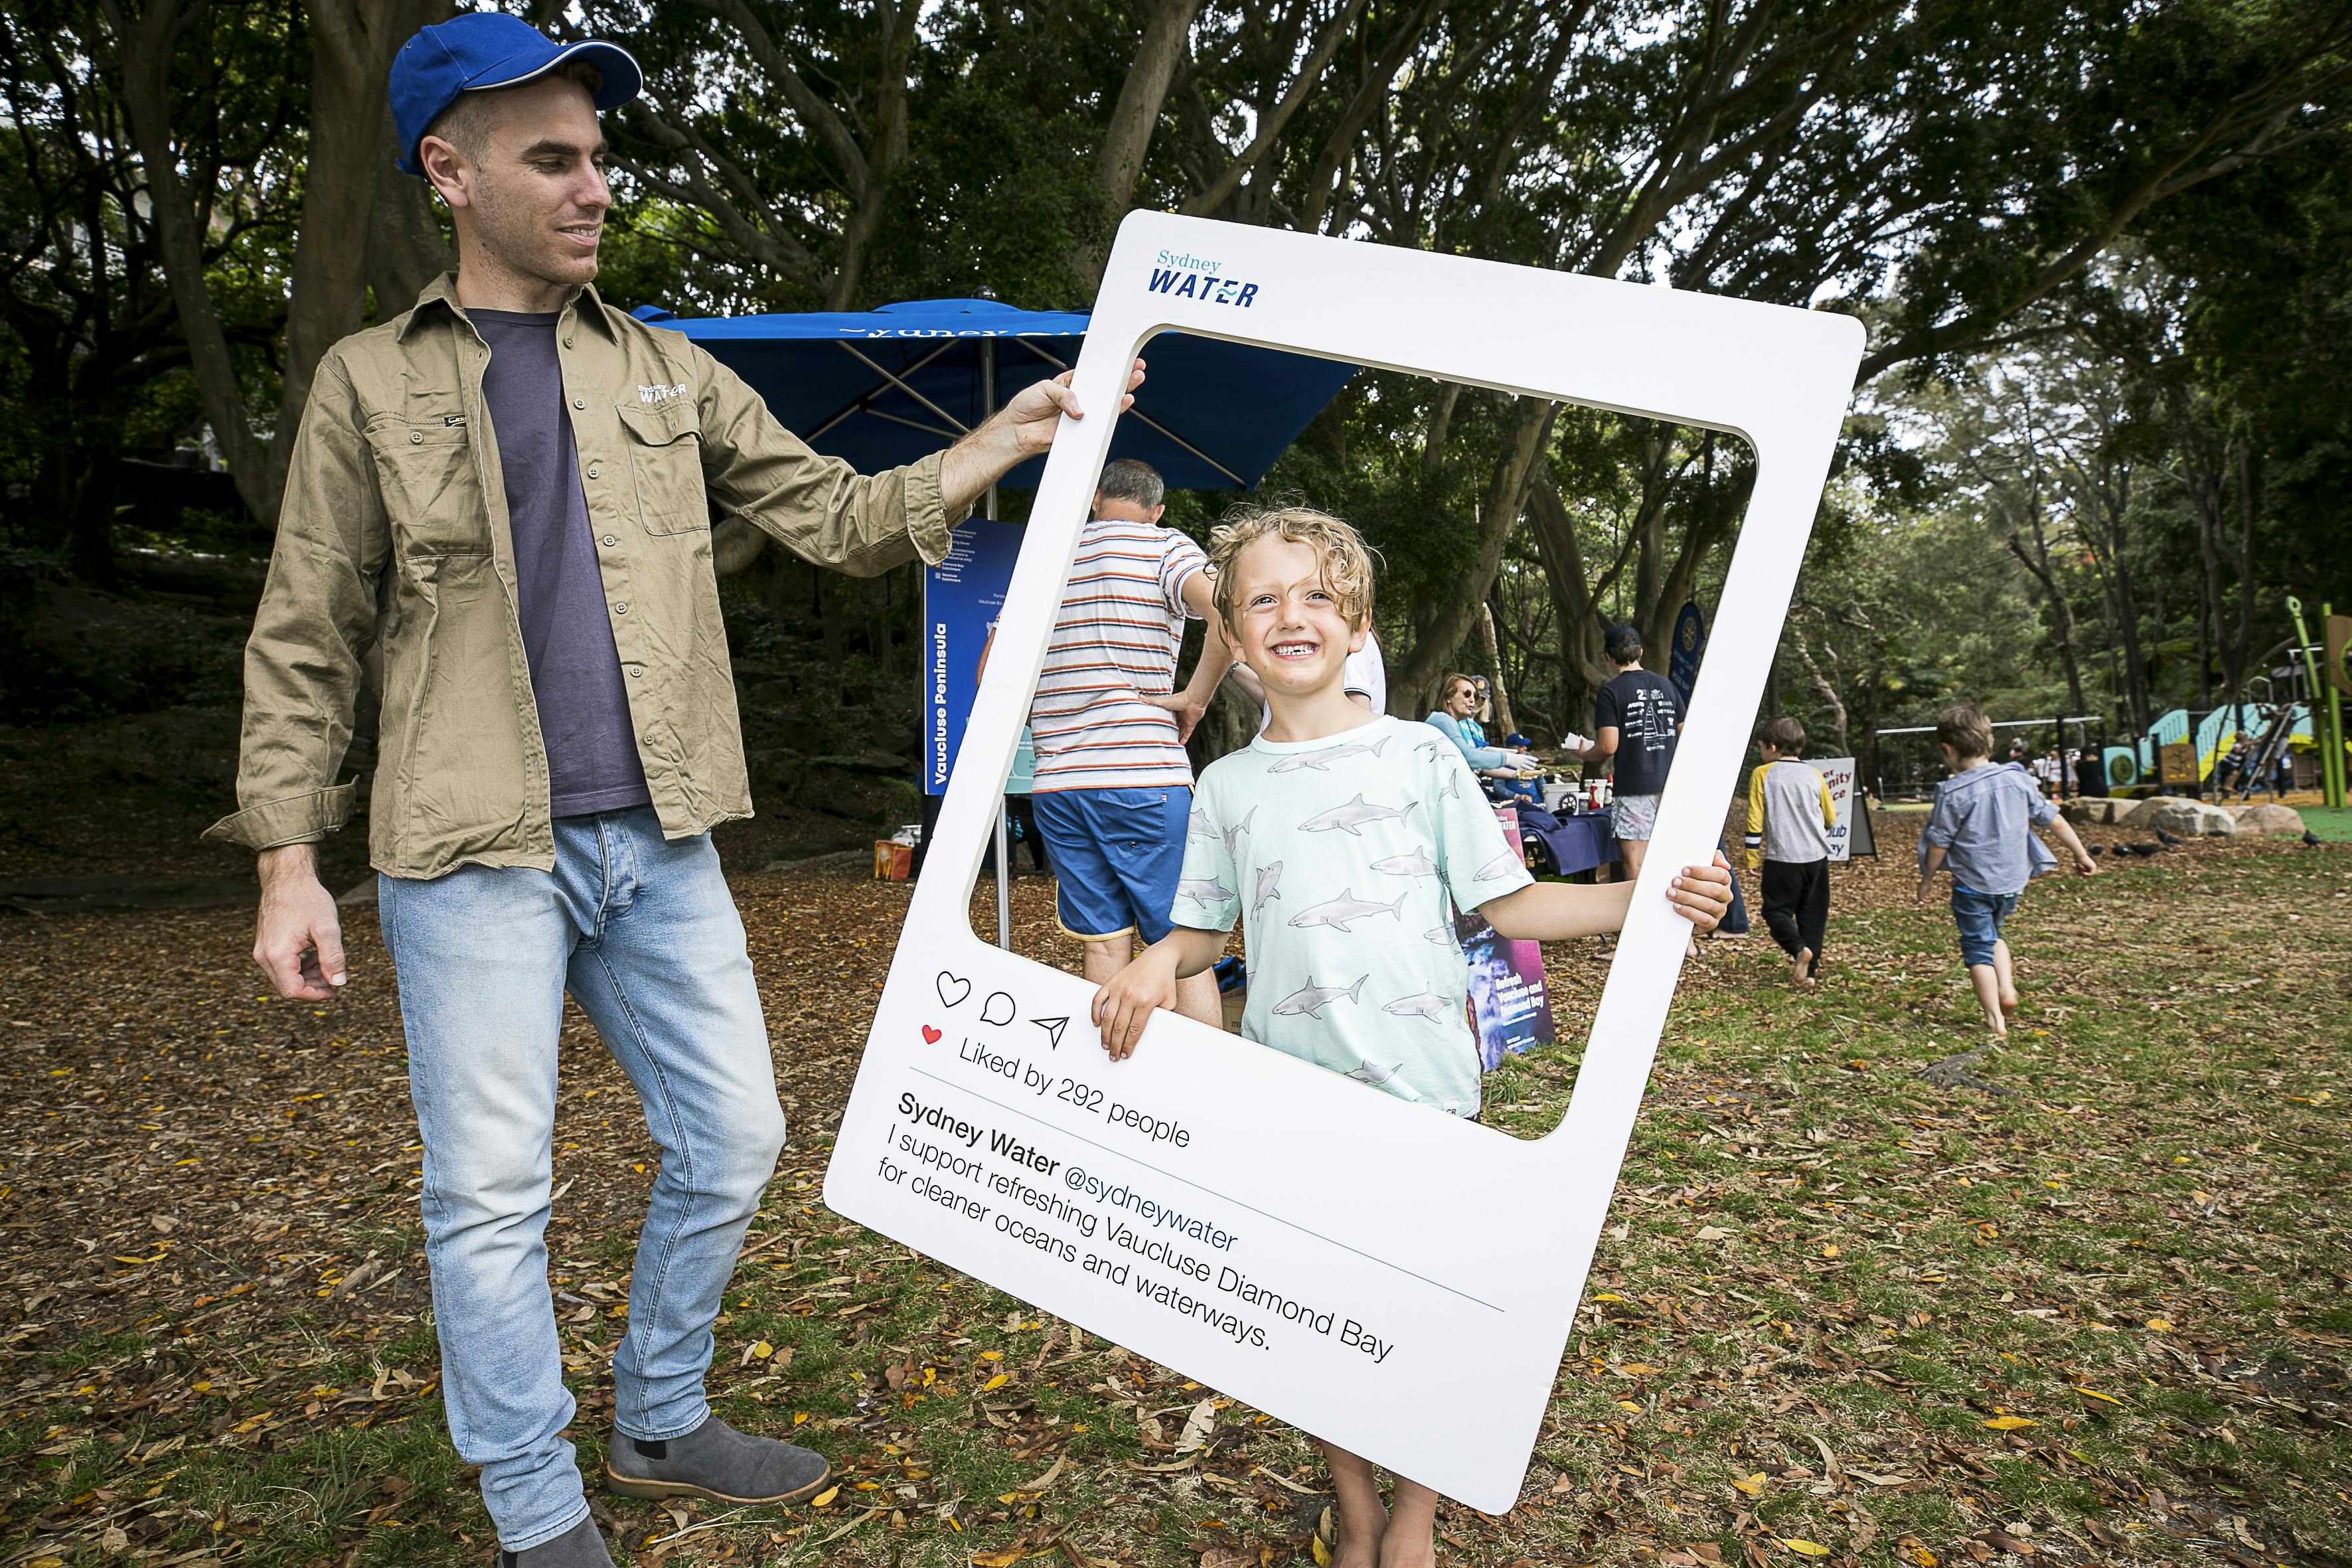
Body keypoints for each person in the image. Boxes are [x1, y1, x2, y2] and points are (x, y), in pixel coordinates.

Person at [208, 16, 1142, 1565]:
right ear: (449, 171)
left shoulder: (664, 368)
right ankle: (531, 1502)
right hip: (466, 849)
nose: (593, 186)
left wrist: (1004, 434)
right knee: (493, 1193)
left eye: (599, 155)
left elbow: (841, 515)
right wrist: (286, 864)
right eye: (552, 159)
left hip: (662, 838)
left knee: (737, 1135)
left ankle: (656, 1413)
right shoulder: (368, 384)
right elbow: (307, 632)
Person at [1090, 505, 1731, 1568]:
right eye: (1261, 599)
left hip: (1430, 1094)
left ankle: (1415, 1513)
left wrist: (1653, 900)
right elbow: (1205, 929)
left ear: (1356, 623)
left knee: (1418, 1317)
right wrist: (1162, 957)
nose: (1289, 614)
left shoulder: (1422, 754)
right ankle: (1350, 1510)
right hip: (1293, 1104)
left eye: (1315, 595)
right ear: (1235, 638)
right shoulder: (1224, 785)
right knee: (1318, 1322)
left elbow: (1512, 907)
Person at [1022, 459, 1231, 1028]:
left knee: (1102, 943)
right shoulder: (1165, 548)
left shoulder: (1048, 558)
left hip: (1058, 784)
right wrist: (1195, 696)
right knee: (1181, 949)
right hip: (1142, 777)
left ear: (1094, 499)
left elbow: (994, 671)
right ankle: (1198, 1095)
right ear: (1157, 510)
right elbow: (1226, 608)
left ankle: (1116, 1096)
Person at [1916, 703, 2098, 1039]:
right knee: (1994, 934)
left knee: (1977, 949)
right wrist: (2081, 854)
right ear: (1990, 742)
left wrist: (1927, 878)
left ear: (1947, 750)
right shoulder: (2018, 779)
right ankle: (2008, 989)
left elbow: (1939, 844)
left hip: (1972, 885)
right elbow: (2053, 818)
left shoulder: (1953, 793)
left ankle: (1994, 1018)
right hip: (2011, 883)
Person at [1577, 625, 1683, 883]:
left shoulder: (1611, 692)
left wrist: (1584, 753)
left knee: (1635, 863)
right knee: (1674, 856)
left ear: (1608, 657)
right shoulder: (1666, 685)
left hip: (1636, 786)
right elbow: (1684, 732)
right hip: (1671, 785)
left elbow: (1608, 746)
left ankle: (1642, 922)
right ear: (1641, 652)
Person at [1745, 716, 1836, 988]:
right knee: (1814, 915)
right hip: (1817, 858)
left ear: (1772, 747)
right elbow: (1829, 817)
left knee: (1776, 912)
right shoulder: (1814, 774)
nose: (1760, 752)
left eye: (1760, 746)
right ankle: (1809, 973)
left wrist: (1752, 856)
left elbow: (1754, 819)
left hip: (1782, 858)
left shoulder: (1762, 774)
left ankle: (1798, 949)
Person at [1425, 672, 1541, 797]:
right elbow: (1468, 756)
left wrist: (1514, 772)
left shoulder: (1449, 721)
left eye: (1476, 696)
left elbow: (1467, 758)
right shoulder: (1443, 720)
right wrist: (1507, 758)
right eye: (1467, 694)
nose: (1473, 700)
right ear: (1448, 697)